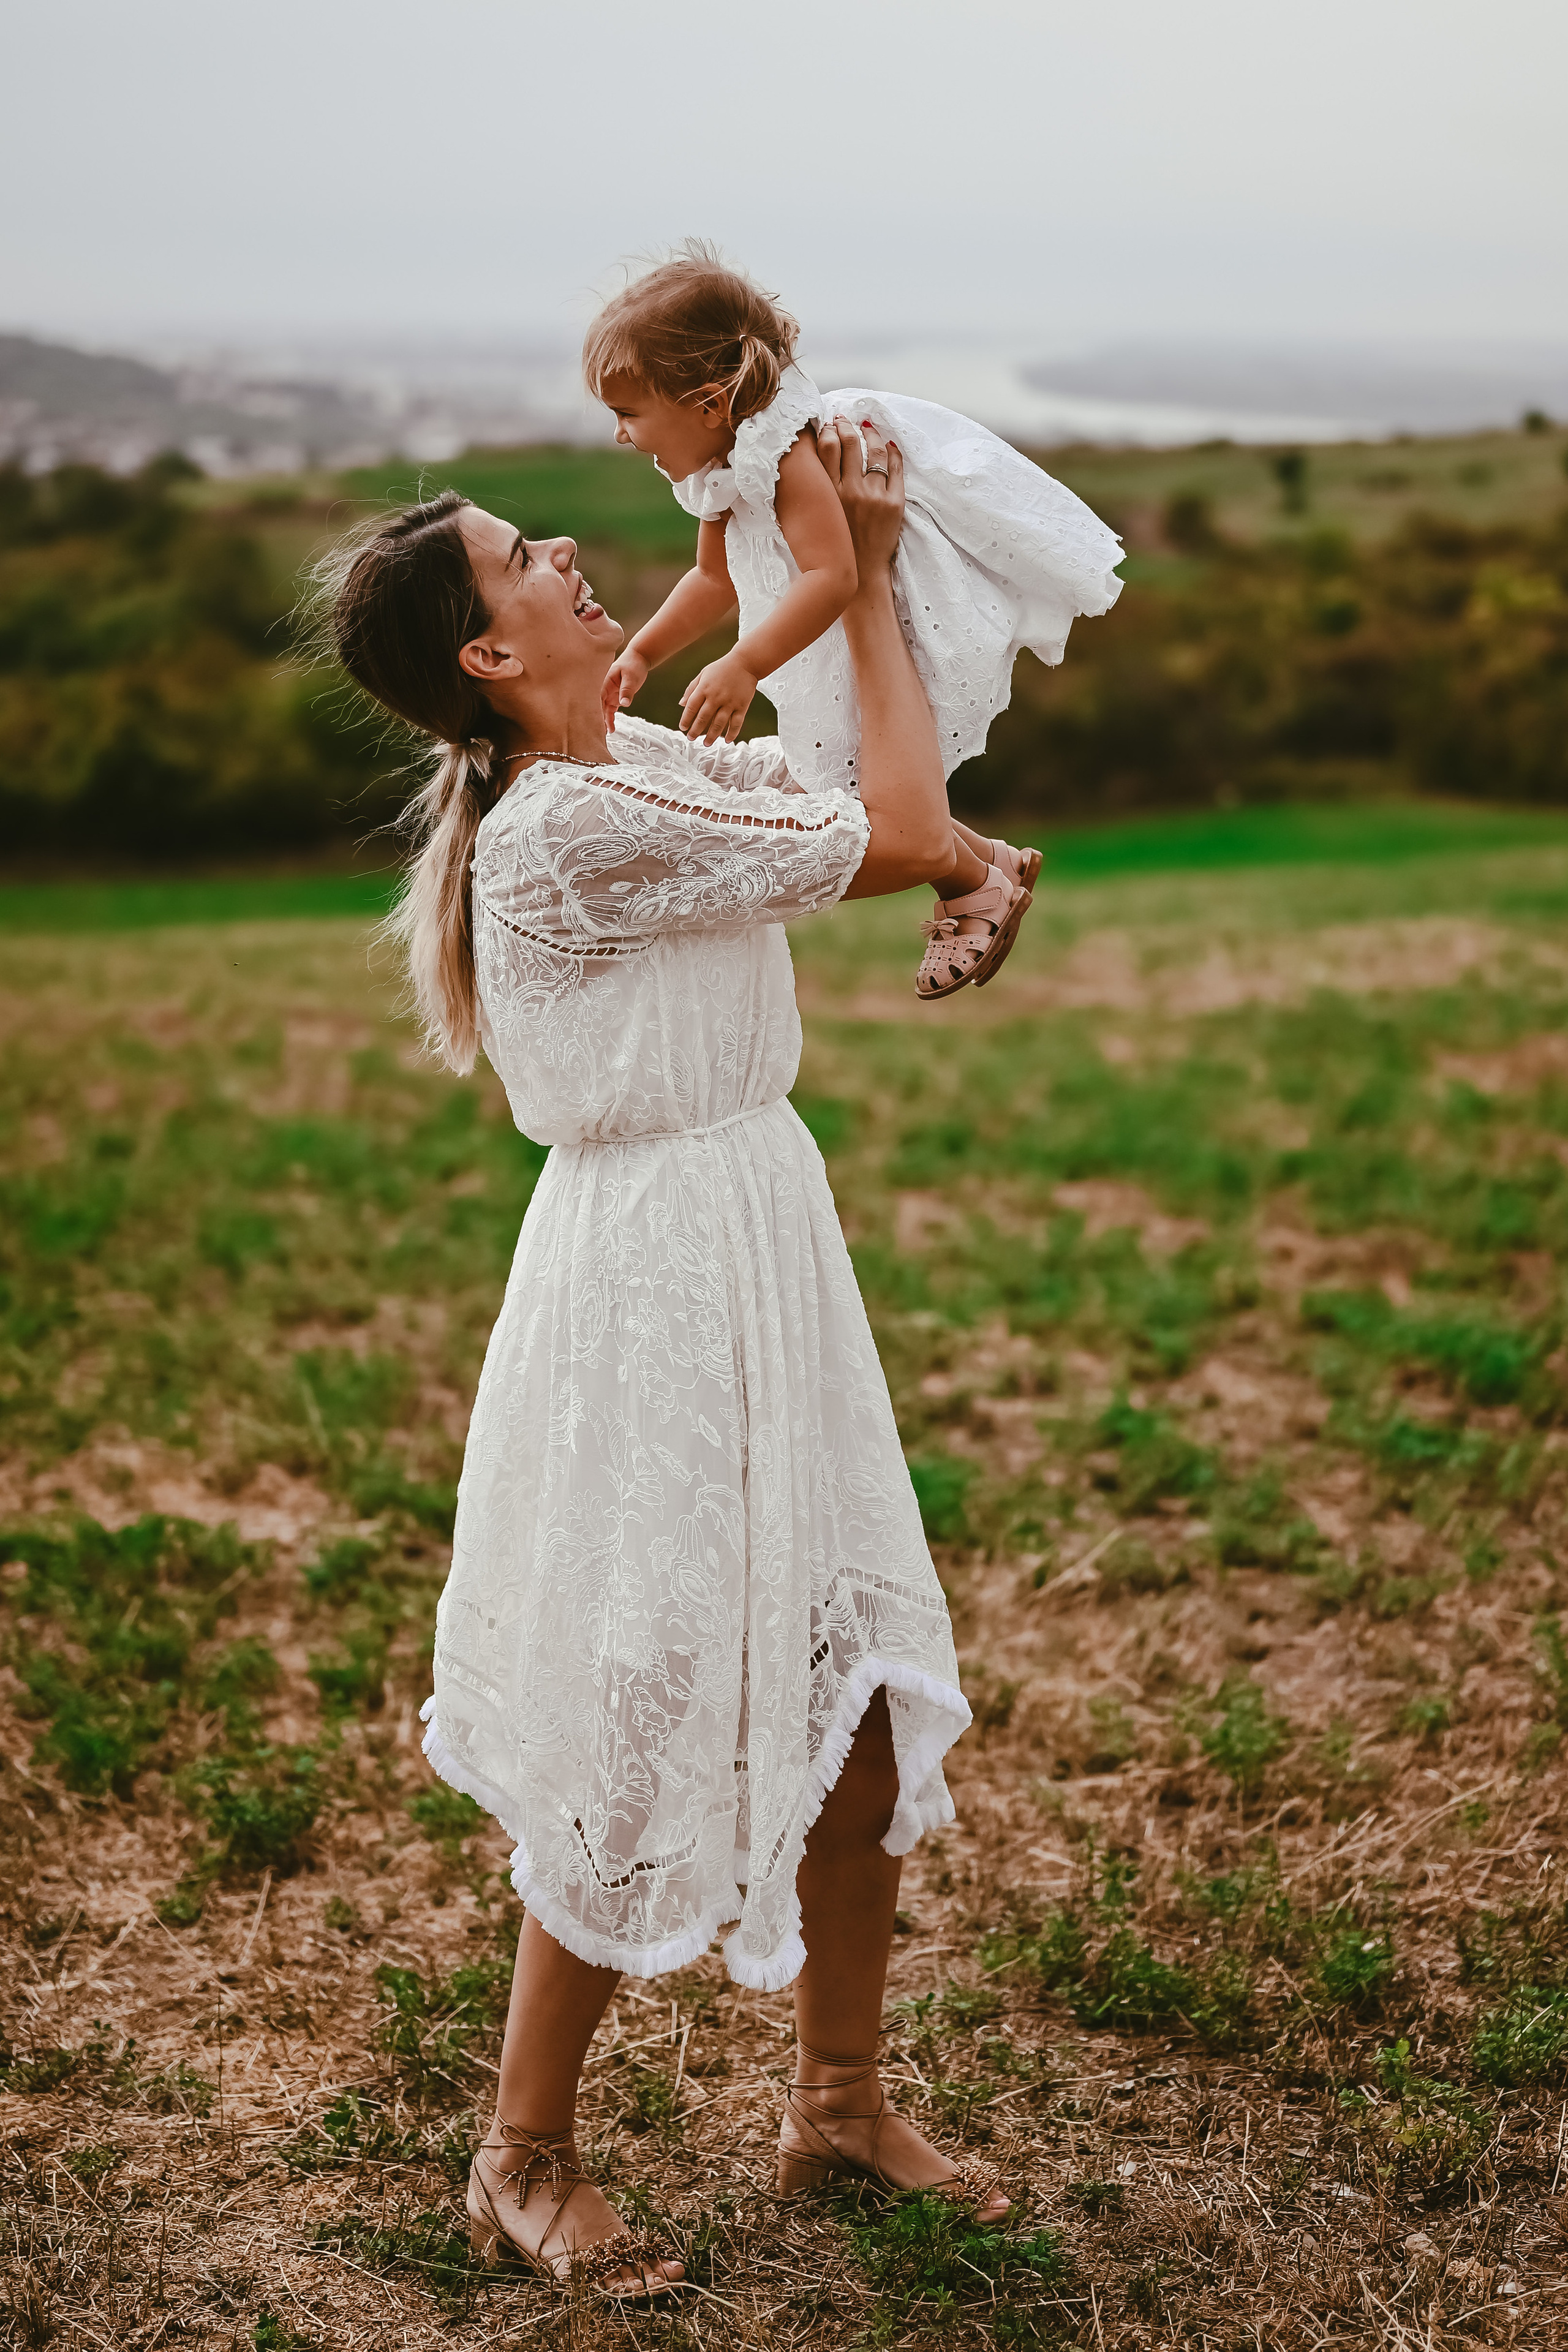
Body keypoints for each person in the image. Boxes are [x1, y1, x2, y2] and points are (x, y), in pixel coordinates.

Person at [318, 418, 1008, 2301]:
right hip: (650, 1279)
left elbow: (866, 792)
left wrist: (922, 777)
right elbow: (878, 821)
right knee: (636, 1696)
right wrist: (850, 586)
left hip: (757, 1231)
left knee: (852, 1659)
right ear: (485, 649)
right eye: (524, 555)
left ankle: (842, 2097)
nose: (567, 552)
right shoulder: (568, 819)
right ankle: (521, 2152)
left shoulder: (627, 756)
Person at [583, 240, 1124, 1000]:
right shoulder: (722, 468)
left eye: (628, 414)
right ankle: (985, 869)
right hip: (819, 634)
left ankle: (976, 886)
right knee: (838, 782)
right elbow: (713, 577)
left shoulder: (788, 454)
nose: (620, 435)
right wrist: (644, 652)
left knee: (855, 789)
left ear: (708, 404)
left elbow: (835, 574)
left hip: (867, 627)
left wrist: (744, 665)